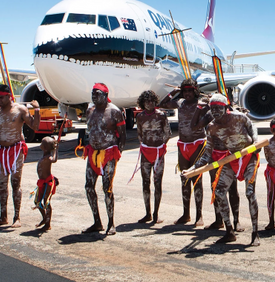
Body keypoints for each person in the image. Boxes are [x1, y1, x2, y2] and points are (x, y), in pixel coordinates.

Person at [192, 93, 261, 245]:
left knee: (250, 193)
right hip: (231, 158)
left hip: (249, 157)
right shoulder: (211, 127)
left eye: (218, 108)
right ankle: (229, 231)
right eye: (212, 108)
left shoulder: (239, 117)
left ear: (225, 108)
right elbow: (207, 153)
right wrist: (193, 168)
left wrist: (255, 143)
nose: (215, 111)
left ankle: (255, 233)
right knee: (219, 192)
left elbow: (252, 127)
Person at [0, 84, 42, 228]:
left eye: (1, 98)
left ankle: (17, 217)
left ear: (9, 96)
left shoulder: (20, 110)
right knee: (1, 184)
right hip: (2, 150)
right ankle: (3, 217)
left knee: (15, 184)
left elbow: (35, 126)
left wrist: (37, 110)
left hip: (16, 150)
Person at [158, 78, 207, 226]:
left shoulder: (201, 105)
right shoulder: (180, 103)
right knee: (184, 179)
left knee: (196, 180)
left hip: (197, 144)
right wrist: (174, 91)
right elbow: (162, 104)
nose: (187, 94)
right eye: (184, 91)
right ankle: (186, 214)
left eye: (189, 91)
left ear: (195, 91)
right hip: (183, 144)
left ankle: (199, 215)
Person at [81, 83, 127, 235]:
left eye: (97, 93)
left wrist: (117, 153)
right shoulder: (90, 110)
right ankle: (97, 222)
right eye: (92, 93)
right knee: (88, 187)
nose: (94, 96)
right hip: (93, 152)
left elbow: (123, 134)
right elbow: (89, 130)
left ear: (106, 95)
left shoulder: (114, 112)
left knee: (107, 188)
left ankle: (111, 223)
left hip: (108, 154)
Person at [135, 90, 170, 224]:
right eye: (146, 101)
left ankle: (156, 213)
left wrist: (160, 146)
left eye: (152, 101)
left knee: (157, 183)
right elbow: (139, 133)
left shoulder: (161, 116)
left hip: (158, 153)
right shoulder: (140, 117)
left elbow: (167, 133)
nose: (150, 103)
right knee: (145, 182)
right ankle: (147, 213)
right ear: (143, 103)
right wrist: (145, 145)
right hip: (145, 152)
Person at [34, 136, 60, 231]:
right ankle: (45, 218)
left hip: (47, 183)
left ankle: (48, 223)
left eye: (42, 143)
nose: (40, 144)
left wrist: (55, 149)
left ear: (44, 147)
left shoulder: (48, 158)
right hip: (42, 182)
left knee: (46, 202)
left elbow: (54, 159)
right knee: (37, 202)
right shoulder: (44, 156)